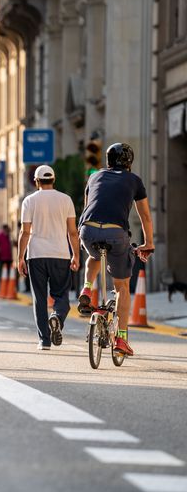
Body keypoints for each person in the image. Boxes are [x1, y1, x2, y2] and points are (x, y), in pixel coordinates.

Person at [77, 143, 154, 356]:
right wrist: (149, 243)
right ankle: (121, 339)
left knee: (93, 255)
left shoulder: (94, 176)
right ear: (129, 162)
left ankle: (86, 289)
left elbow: (87, 208)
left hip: (88, 230)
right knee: (122, 287)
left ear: (108, 160)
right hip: (115, 232)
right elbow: (145, 216)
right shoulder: (134, 180)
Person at [16, 165, 79, 351]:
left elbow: (24, 231)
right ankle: (58, 317)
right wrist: (75, 255)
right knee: (61, 295)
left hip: (36, 255)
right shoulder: (66, 200)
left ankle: (44, 340)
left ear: (36, 181)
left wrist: (20, 257)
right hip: (60, 254)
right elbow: (73, 232)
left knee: (40, 298)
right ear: (54, 179)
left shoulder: (29, 201)